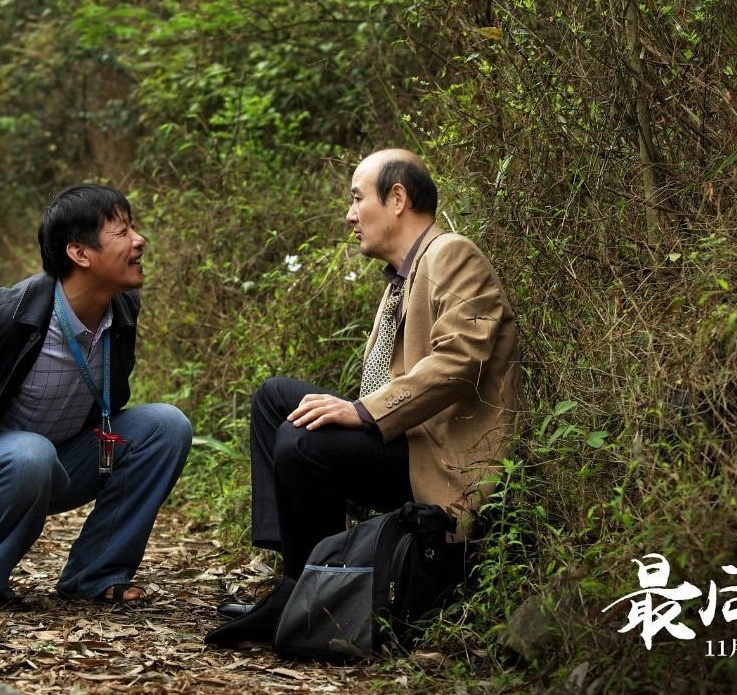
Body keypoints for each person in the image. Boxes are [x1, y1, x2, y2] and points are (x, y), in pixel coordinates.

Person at [205, 148, 519, 646]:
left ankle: (313, 596)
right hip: (407, 441)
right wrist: (360, 415)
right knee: (275, 399)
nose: (350, 215)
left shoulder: (453, 255)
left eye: (357, 199)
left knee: (302, 440)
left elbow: (462, 361)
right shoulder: (402, 278)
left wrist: (362, 412)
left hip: (438, 461)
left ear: (397, 198)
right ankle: (295, 579)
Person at [0, 184, 192, 610]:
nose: (139, 240)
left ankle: (96, 574)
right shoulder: (4, 314)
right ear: (80, 253)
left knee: (167, 425)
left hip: (63, 465)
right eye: (123, 231)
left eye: (134, 228)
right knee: (29, 453)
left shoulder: (123, 308)